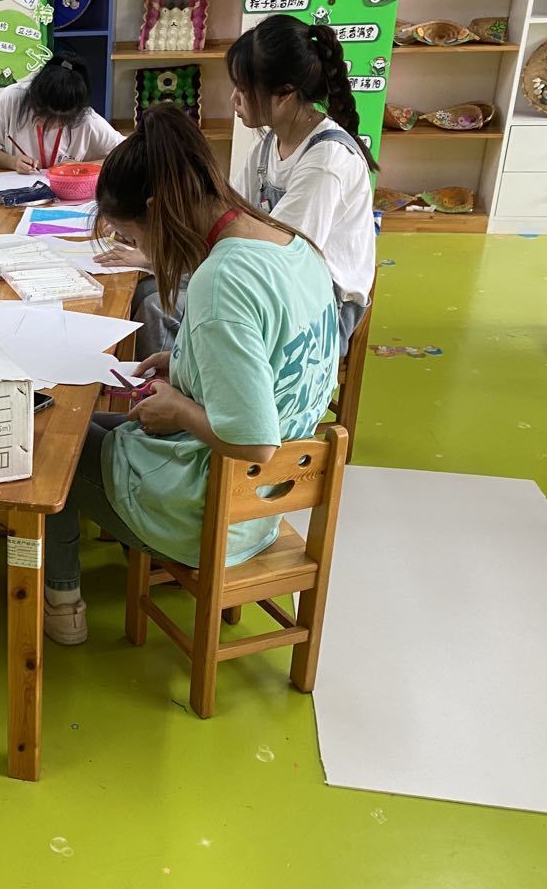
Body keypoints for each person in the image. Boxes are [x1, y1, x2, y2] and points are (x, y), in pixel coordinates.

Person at [43, 106, 338, 646]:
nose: (140, 252)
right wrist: (182, 363)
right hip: (266, 497)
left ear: (156, 211)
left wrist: (179, 408)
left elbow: (254, 441)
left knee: (53, 449)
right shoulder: (290, 245)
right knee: (88, 424)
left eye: (133, 238)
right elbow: (270, 363)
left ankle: (63, 603)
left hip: (213, 510)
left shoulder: (222, 279)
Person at [130, 15, 377, 358]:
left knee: (159, 308)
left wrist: (169, 259)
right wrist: (159, 255)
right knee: (145, 291)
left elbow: (280, 262)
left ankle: (187, 389)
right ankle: (182, 380)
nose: (234, 99)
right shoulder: (268, 143)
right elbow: (228, 218)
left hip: (318, 307)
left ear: (285, 94)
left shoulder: (326, 162)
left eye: (244, 89)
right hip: (268, 277)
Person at [0, 52, 124, 173]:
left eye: (61, 121)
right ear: (32, 97)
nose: (49, 125)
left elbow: (129, 155)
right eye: (42, 115)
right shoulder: (13, 98)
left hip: (66, 194)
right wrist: (12, 162)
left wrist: (83, 166)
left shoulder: (86, 119)